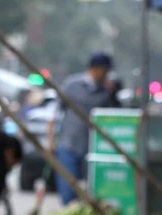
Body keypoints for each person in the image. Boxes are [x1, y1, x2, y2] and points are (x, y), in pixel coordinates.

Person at [47, 53, 119, 205]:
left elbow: (115, 115)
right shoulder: (72, 85)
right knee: (68, 191)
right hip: (69, 145)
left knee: (94, 193)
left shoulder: (107, 92)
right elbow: (54, 113)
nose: (106, 74)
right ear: (94, 69)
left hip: (93, 149)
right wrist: (50, 141)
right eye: (104, 70)